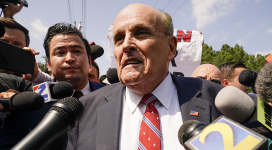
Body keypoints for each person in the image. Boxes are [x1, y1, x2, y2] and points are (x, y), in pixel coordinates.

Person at [67, 3, 222, 150]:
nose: (126, 45)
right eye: (119, 38)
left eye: (140, 33)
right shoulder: (84, 110)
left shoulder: (216, 99)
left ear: (171, 47)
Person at [43, 23, 104, 94]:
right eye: (61, 53)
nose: (70, 58)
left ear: (89, 61)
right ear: (49, 64)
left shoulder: (110, 95)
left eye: (76, 51)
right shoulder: (38, 101)